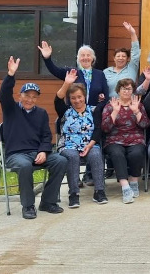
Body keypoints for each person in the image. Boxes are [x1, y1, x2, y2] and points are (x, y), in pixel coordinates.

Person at [0, 56, 67, 219]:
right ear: (20, 96)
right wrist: (10, 75)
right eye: (27, 96)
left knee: (61, 161)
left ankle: (47, 202)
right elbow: (3, 95)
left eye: (34, 96)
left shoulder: (41, 113)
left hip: (36, 153)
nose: (30, 99)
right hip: (16, 155)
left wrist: (44, 151)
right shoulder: (11, 109)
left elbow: (46, 135)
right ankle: (28, 206)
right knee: (24, 166)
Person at [54, 69, 107, 207]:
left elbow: (98, 130)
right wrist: (66, 83)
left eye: (79, 97)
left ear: (84, 96)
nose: (77, 100)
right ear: (69, 99)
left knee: (96, 154)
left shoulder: (94, 110)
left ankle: (99, 191)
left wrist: (90, 145)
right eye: (73, 98)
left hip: (89, 144)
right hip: (68, 145)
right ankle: (74, 194)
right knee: (73, 157)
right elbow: (58, 98)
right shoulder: (65, 111)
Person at [101, 78, 149, 204]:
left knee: (137, 152)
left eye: (129, 89)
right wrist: (115, 111)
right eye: (123, 88)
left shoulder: (138, 104)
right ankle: (125, 187)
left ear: (133, 90)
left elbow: (145, 125)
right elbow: (105, 128)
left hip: (135, 138)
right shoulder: (110, 105)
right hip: (114, 139)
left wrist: (136, 111)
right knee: (117, 154)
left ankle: (133, 181)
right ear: (118, 90)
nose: (126, 91)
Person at [39, 41, 108, 108]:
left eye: (88, 55)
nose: (85, 58)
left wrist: (97, 109)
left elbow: (106, 96)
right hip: (73, 112)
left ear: (92, 58)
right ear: (78, 58)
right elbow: (54, 70)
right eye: (82, 55)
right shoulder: (72, 72)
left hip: (94, 113)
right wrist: (47, 58)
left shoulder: (100, 74)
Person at [103, 21, 142, 99]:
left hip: (129, 105)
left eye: (123, 56)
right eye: (118, 56)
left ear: (128, 59)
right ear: (114, 58)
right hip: (111, 105)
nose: (120, 58)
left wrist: (133, 33)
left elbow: (135, 53)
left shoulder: (132, 68)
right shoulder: (106, 72)